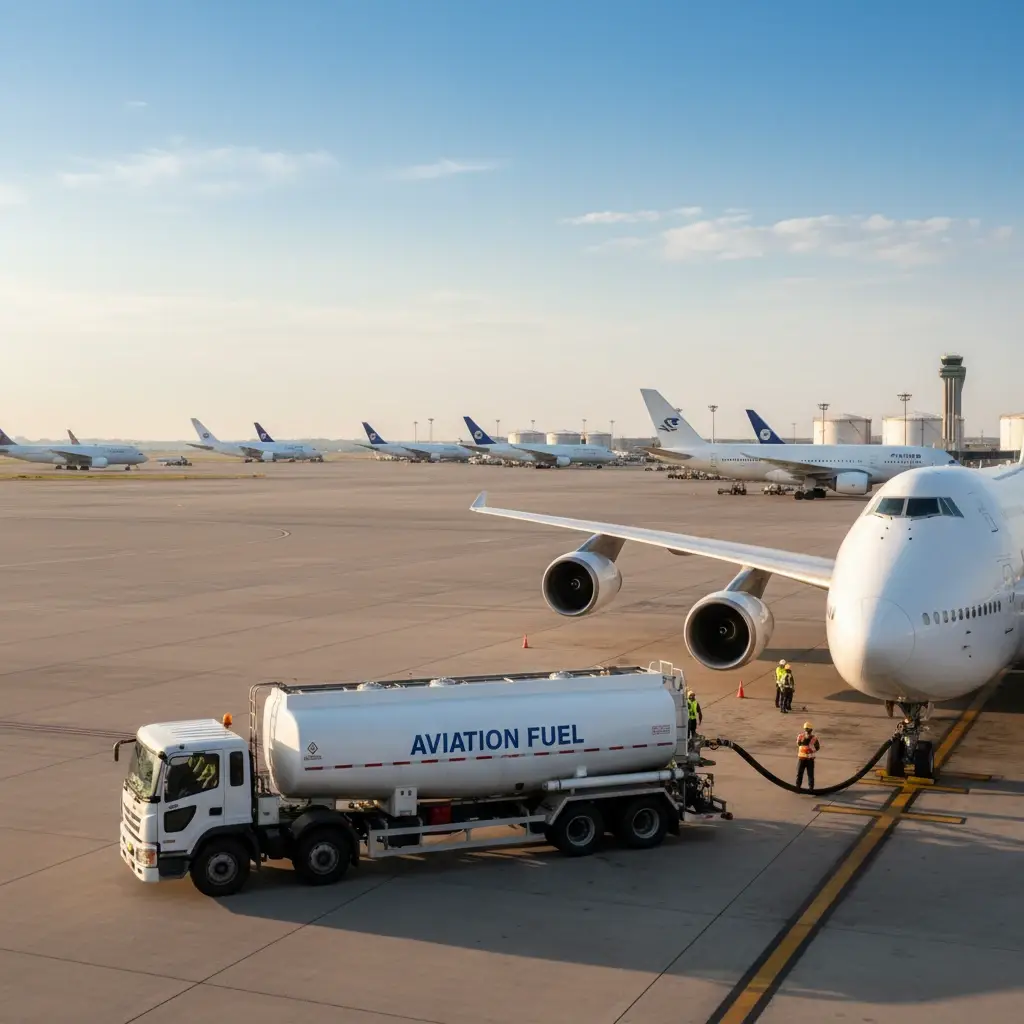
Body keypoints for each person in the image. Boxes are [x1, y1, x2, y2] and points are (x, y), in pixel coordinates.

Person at [796, 722, 820, 791]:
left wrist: (811, 750)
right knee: (800, 773)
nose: (807, 730)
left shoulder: (814, 738)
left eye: (808, 729)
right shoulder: (800, 736)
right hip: (802, 758)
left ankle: (810, 788)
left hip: (809, 758)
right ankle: (798, 786)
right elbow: (799, 743)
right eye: (806, 729)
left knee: (810, 774)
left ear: (811, 730)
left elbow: (817, 747)